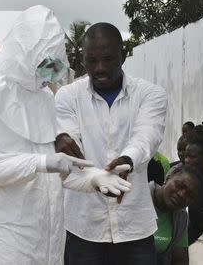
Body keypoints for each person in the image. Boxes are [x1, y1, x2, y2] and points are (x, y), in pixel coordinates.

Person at [0, 5, 132, 265]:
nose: (50, 75)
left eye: (55, 66)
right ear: (23, 54)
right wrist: (38, 163)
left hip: (48, 242)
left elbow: (57, 173)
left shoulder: (44, 99)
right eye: (45, 65)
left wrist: (93, 178)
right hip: (2, 245)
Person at [55, 22, 167, 264]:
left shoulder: (150, 94)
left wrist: (127, 160)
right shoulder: (67, 96)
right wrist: (64, 142)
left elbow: (147, 133)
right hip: (83, 226)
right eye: (92, 60)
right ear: (81, 59)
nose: (100, 68)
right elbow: (70, 143)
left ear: (123, 55)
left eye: (108, 59)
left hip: (134, 225)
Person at [150, 165, 202, 265]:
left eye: (190, 195)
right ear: (167, 179)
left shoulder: (181, 217)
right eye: (180, 186)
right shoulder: (139, 200)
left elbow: (180, 260)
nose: (182, 194)